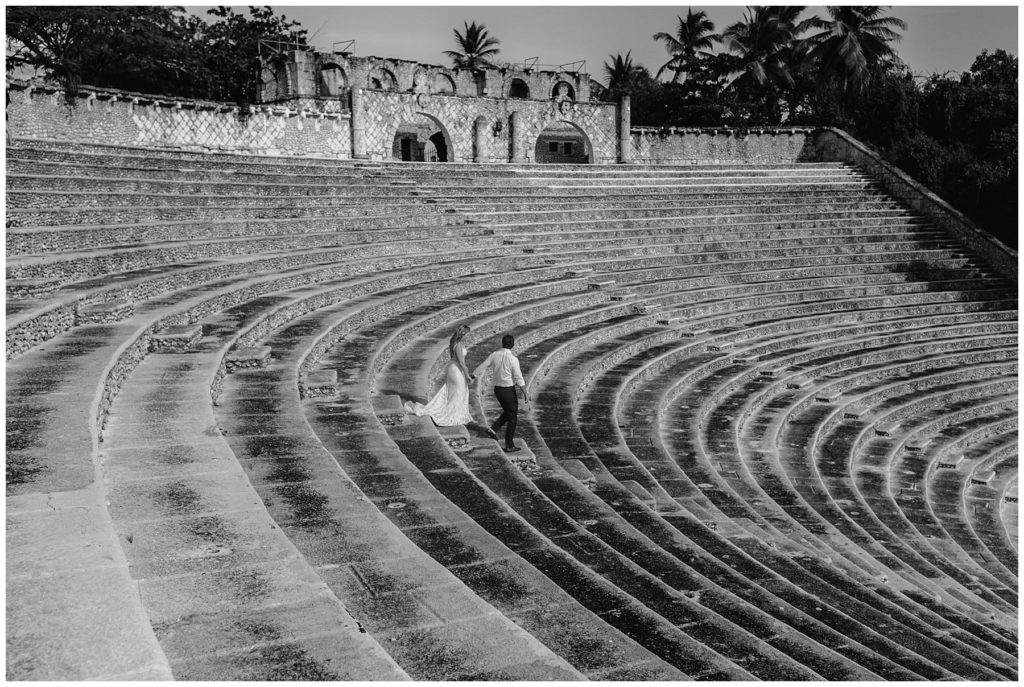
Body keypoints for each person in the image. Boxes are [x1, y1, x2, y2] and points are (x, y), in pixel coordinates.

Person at [404, 324, 475, 426]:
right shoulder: (458, 345)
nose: (468, 336)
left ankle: (455, 413)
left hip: (453, 369)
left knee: (455, 391)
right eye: (468, 333)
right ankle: (452, 414)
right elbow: (461, 362)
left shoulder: (453, 343)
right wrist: (467, 375)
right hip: (456, 370)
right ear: (464, 334)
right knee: (458, 391)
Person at [482, 333, 530, 452]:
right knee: (512, 417)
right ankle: (509, 444)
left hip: (497, 390)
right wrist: (525, 393)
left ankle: (493, 429)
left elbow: (483, 365)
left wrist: (473, 375)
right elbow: (518, 378)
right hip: (508, 390)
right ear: (512, 345)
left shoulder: (494, 355)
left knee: (509, 412)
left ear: (502, 343)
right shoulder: (513, 359)